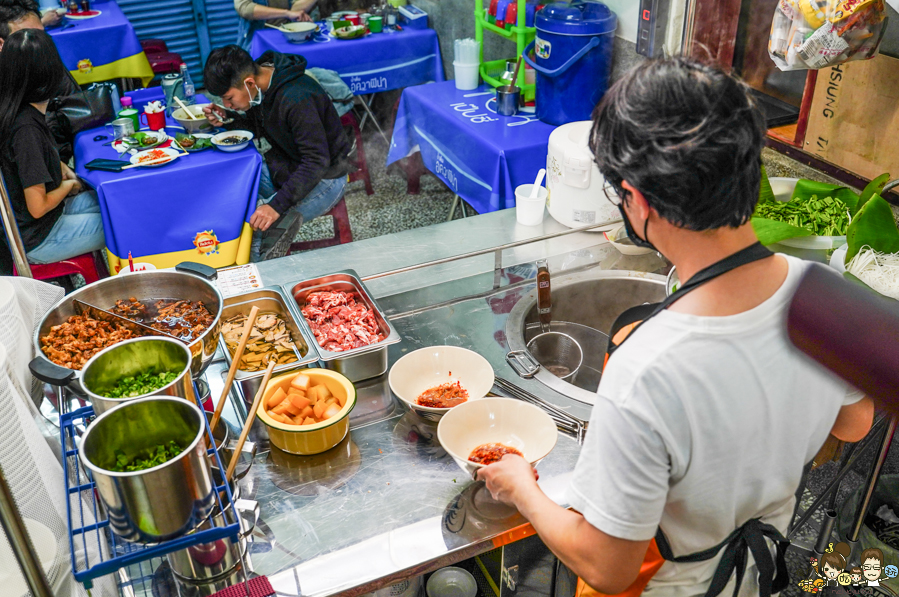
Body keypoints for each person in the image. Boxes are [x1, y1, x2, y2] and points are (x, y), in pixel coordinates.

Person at [476, 57, 875, 597]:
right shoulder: (829, 296)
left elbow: (607, 567)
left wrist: (523, 489)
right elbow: (854, 424)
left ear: (638, 202)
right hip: (756, 573)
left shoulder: (646, 369)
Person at [202, 45, 350, 262]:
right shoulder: (264, 83)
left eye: (229, 98)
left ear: (249, 83)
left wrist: (275, 206)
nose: (226, 103)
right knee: (238, 190)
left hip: (326, 178)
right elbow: (261, 121)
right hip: (289, 166)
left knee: (254, 223)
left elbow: (316, 162)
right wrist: (228, 117)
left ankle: (257, 278)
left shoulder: (297, 98)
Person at [0, 29, 104, 267]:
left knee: (112, 206)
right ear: (49, 73)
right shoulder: (25, 129)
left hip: (46, 221)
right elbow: (37, 207)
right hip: (41, 237)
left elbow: (28, 163)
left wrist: (60, 167)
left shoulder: (19, 110)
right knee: (122, 224)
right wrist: (69, 185)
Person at [0, 0, 81, 161]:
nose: (40, 44)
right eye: (27, 37)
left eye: (42, 34)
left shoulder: (43, 59)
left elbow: (75, 107)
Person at [234, 0, 317, 52]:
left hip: (287, 37)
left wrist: (293, 14)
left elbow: (295, 9)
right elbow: (245, 8)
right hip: (257, 40)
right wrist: (286, 13)